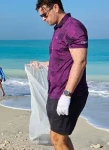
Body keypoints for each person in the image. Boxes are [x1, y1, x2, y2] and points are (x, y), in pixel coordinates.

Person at [31, 0, 89, 149]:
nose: (43, 19)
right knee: (58, 135)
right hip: (55, 91)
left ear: (55, 7)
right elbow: (60, 59)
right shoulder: (58, 28)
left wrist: (67, 95)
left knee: (57, 137)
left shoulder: (73, 27)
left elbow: (80, 61)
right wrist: (42, 64)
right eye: (41, 16)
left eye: (44, 14)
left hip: (68, 93)